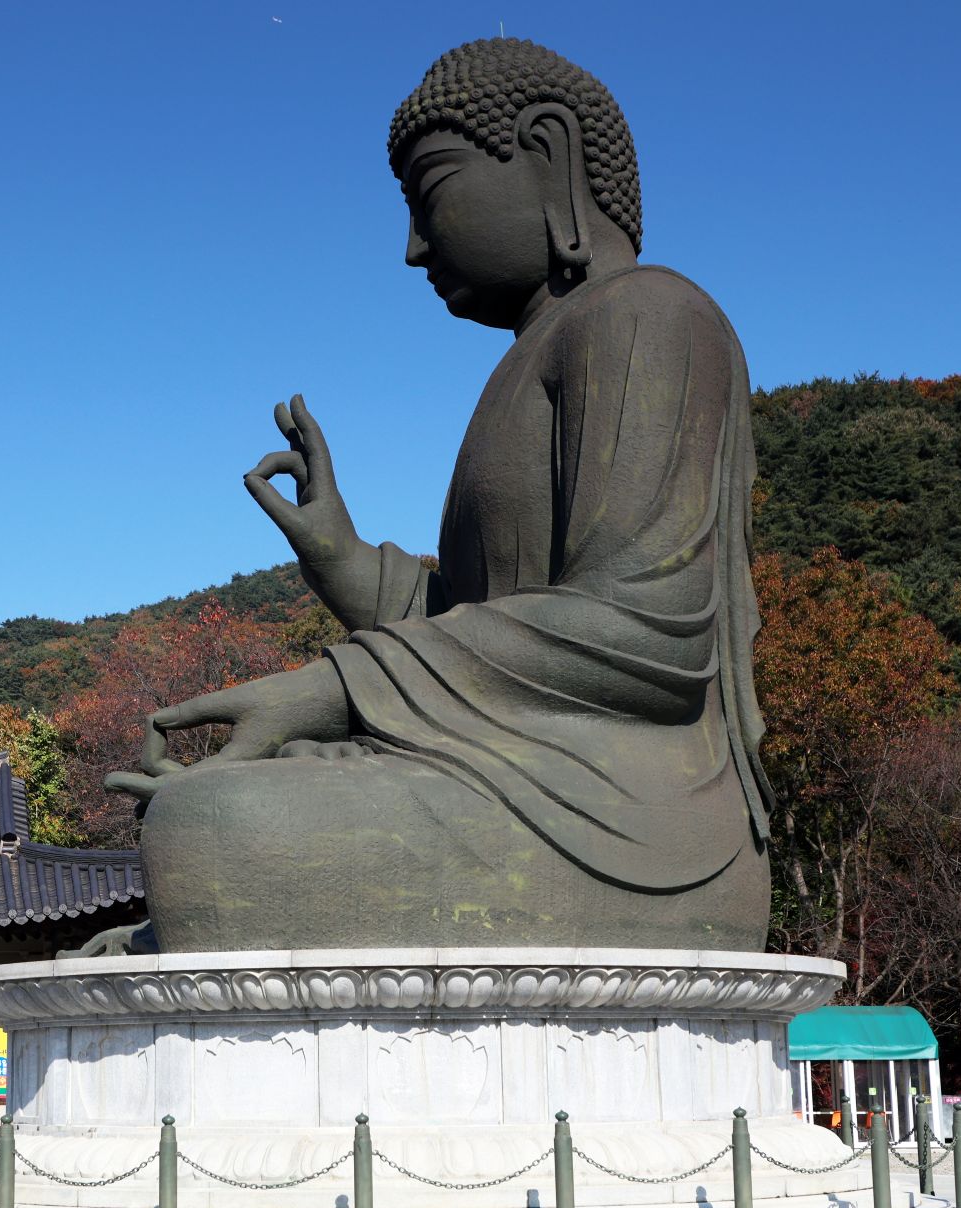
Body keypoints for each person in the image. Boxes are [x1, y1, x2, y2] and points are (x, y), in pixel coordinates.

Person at [109, 37, 772, 953]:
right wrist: (343, 557)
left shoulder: (649, 313)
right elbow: (473, 621)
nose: (415, 246)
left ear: (548, 150)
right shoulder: (536, 354)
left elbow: (648, 632)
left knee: (213, 825)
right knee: (209, 809)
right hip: (518, 768)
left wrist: (332, 687)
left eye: (432, 193)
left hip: (627, 812)